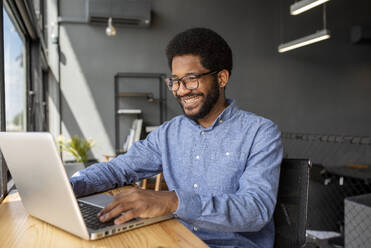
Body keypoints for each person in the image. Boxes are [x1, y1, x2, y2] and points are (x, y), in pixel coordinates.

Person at [70, 27, 283, 248]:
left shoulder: (262, 133)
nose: (181, 91)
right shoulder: (169, 132)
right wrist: (71, 187)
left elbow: (255, 210)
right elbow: (118, 168)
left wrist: (173, 201)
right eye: (175, 81)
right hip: (175, 239)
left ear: (221, 78)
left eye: (191, 79)